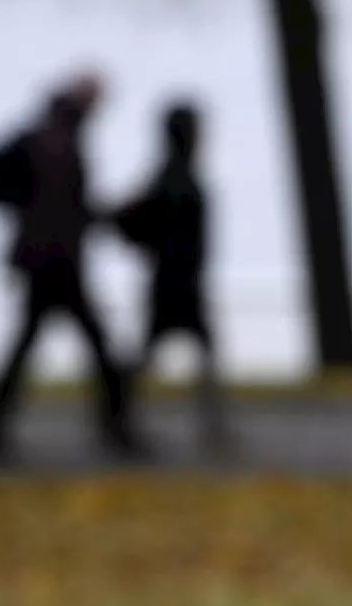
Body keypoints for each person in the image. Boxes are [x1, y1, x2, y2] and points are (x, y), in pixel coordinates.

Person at [0, 72, 139, 463]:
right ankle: (115, 428)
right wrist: (109, 218)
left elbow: (61, 205)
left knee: (31, 345)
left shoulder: (48, 135)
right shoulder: (58, 142)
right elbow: (64, 208)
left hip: (44, 260)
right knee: (98, 348)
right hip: (56, 263)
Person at [110, 100, 233, 452]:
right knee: (193, 352)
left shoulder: (168, 175)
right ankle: (210, 429)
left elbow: (132, 219)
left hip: (170, 278)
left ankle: (124, 421)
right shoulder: (178, 178)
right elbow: (141, 220)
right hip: (177, 281)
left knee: (159, 352)